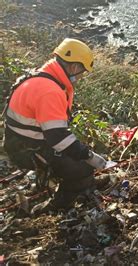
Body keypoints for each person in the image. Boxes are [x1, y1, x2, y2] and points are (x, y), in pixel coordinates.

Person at [3, 38, 107, 215]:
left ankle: (81, 183)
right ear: (74, 67)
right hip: (26, 149)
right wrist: (89, 156)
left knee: (78, 153)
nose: (80, 77)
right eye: (81, 71)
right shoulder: (50, 91)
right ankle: (59, 205)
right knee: (81, 169)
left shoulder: (39, 77)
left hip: (20, 141)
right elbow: (58, 138)